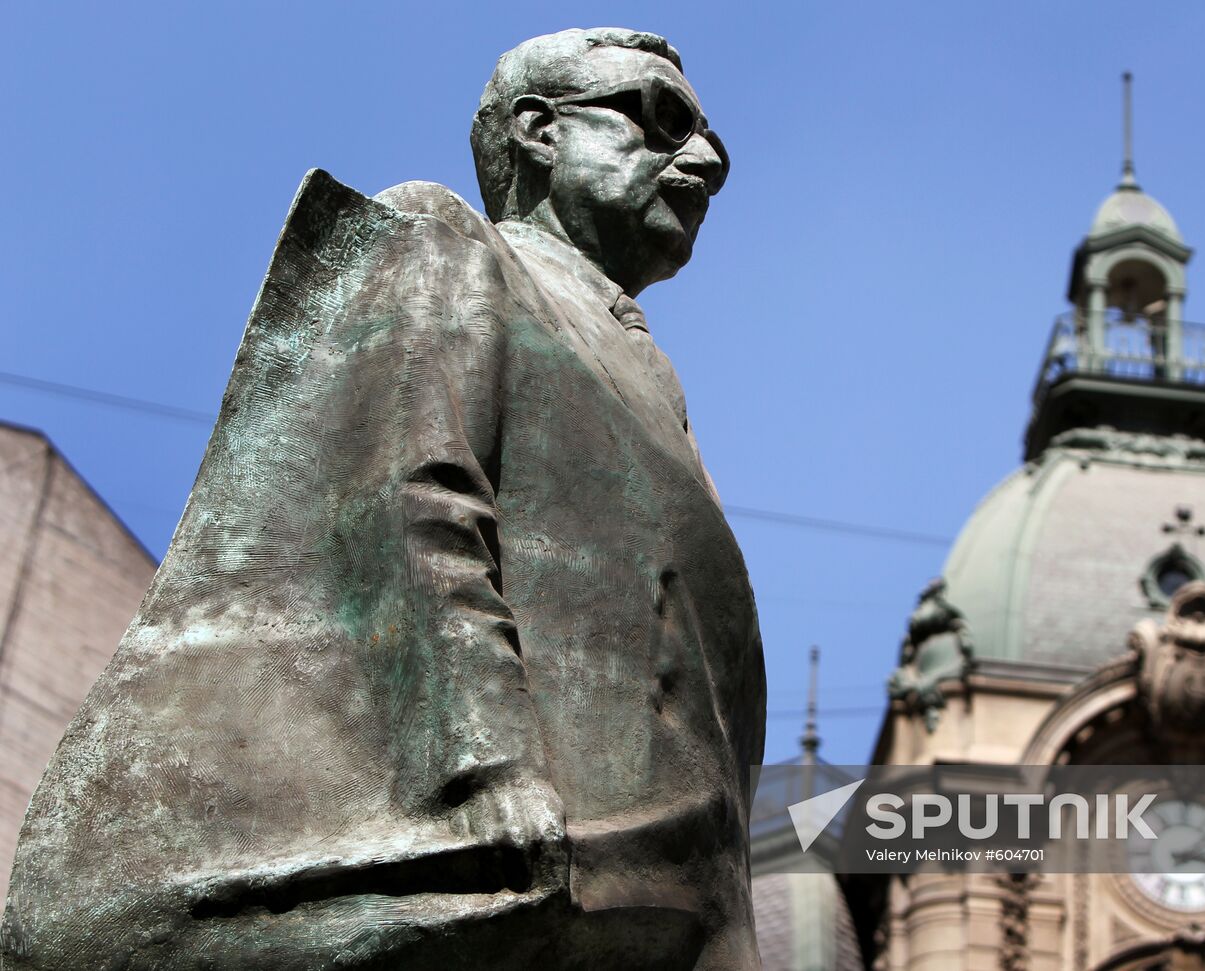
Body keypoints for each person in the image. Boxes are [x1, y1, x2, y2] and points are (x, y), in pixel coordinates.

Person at [2, 27, 765, 970]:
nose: (703, 160)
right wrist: (482, 761)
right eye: (663, 120)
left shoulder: (660, 380)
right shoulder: (446, 240)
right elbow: (411, 504)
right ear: (538, 131)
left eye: (711, 145)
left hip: (675, 890)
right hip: (536, 854)